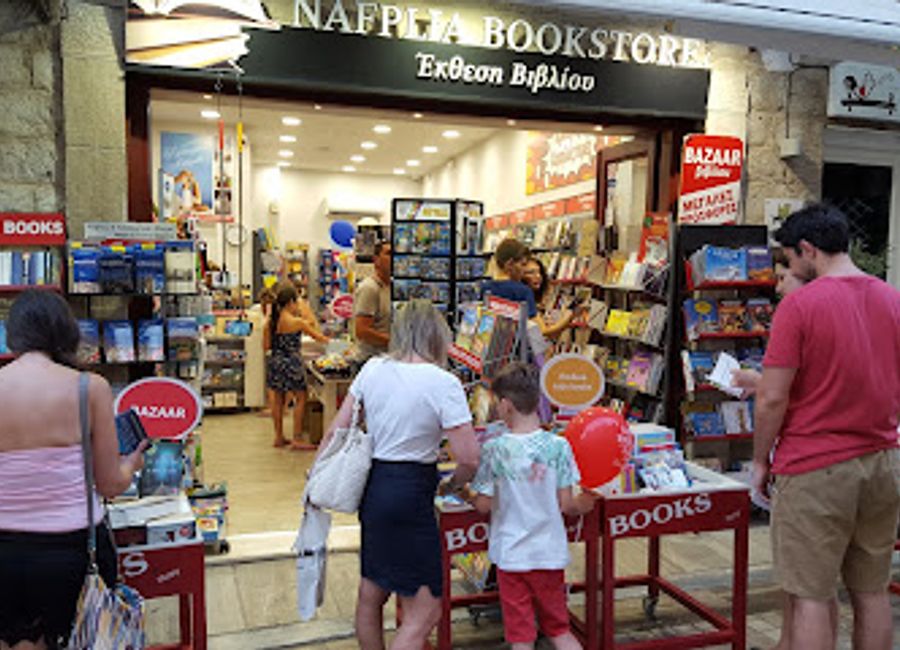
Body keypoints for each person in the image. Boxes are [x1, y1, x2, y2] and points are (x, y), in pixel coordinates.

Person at [753, 204, 900, 650]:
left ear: (808, 249)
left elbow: (772, 396)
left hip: (815, 466)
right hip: (883, 461)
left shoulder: (800, 305)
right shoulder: (892, 298)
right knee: (871, 590)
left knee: (811, 595)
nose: (790, 269)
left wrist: (760, 460)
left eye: (790, 259)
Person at [315, 299, 480, 650]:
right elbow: (469, 457)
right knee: (427, 609)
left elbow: (334, 433)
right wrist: (453, 484)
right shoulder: (443, 382)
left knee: (371, 593)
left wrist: (315, 480)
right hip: (412, 491)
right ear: (437, 334)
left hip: (374, 488)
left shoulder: (373, 368)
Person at [0, 290, 147, 650]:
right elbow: (110, 483)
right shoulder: (88, 388)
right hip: (74, 550)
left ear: (12, 333)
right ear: (65, 331)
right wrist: (132, 462)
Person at [468, 362, 596, 650]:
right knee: (560, 630)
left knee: (521, 637)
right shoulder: (558, 446)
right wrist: (585, 503)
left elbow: (484, 506)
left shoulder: (494, 450)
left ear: (505, 405)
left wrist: (467, 493)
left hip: (512, 556)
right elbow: (567, 504)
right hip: (549, 554)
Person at [265, 284, 329, 450]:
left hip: (275, 361)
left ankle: (278, 437)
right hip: (292, 362)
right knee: (301, 398)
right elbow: (319, 337)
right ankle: (297, 438)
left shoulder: (270, 323)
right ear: (291, 302)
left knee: (278, 400)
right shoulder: (297, 322)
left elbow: (266, 346)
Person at [521, 257, 578, 341]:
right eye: (531, 273)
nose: (538, 276)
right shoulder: (524, 298)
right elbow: (543, 331)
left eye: (539, 272)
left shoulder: (535, 300)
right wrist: (568, 316)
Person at [354, 241, 392, 361]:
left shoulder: (393, 288)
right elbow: (362, 331)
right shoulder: (370, 288)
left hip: (389, 359)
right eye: (389, 254)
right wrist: (395, 342)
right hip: (371, 361)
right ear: (377, 260)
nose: (394, 258)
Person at [483, 238, 536, 319]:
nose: (524, 270)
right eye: (523, 264)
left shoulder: (485, 287)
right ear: (510, 264)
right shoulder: (523, 291)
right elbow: (538, 329)